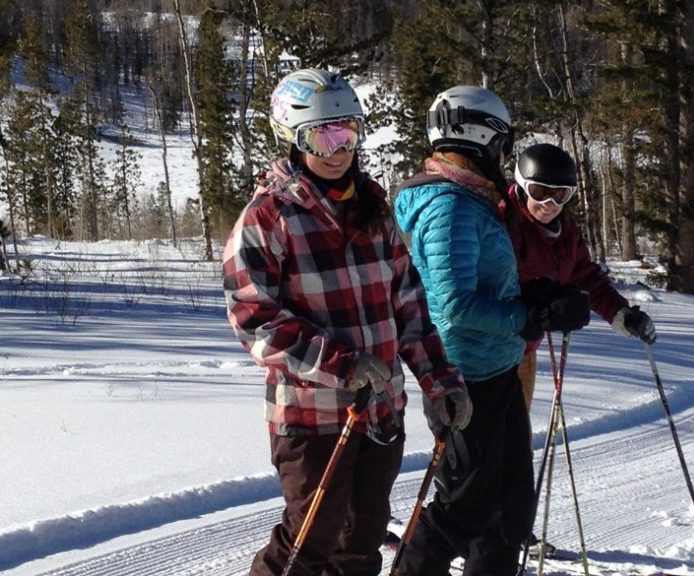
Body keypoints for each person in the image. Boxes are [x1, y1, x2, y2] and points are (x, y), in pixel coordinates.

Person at [222, 68, 472, 576]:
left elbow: (410, 309)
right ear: (292, 138)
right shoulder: (269, 217)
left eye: (348, 132)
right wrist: (341, 364)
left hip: (380, 410)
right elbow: (253, 317)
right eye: (323, 134)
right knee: (308, 542)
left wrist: (441, 382)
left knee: (360, 546)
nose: (338, 148)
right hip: (312, 416)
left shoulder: (375, 211)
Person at [392, 85, 591, 576]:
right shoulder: (449, 207)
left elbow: (484, 279)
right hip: (464, 375)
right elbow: (452, 305)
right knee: (464, 507)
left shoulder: (470, 198)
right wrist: (526, 317)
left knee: (509, 511)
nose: (504, 154)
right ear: (482, 138)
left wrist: (535, 296)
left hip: (495, 368)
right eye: (503, 142)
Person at [504, 142, 657, 413]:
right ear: (521, 185)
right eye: (540, 193)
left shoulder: (564, 231)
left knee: (516, 445)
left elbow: (585, 275)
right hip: (488, 355)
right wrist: (536, 306)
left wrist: (622, 314)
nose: (549, 204)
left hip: (523, 353)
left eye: (560, 196)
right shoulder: (503, 221)